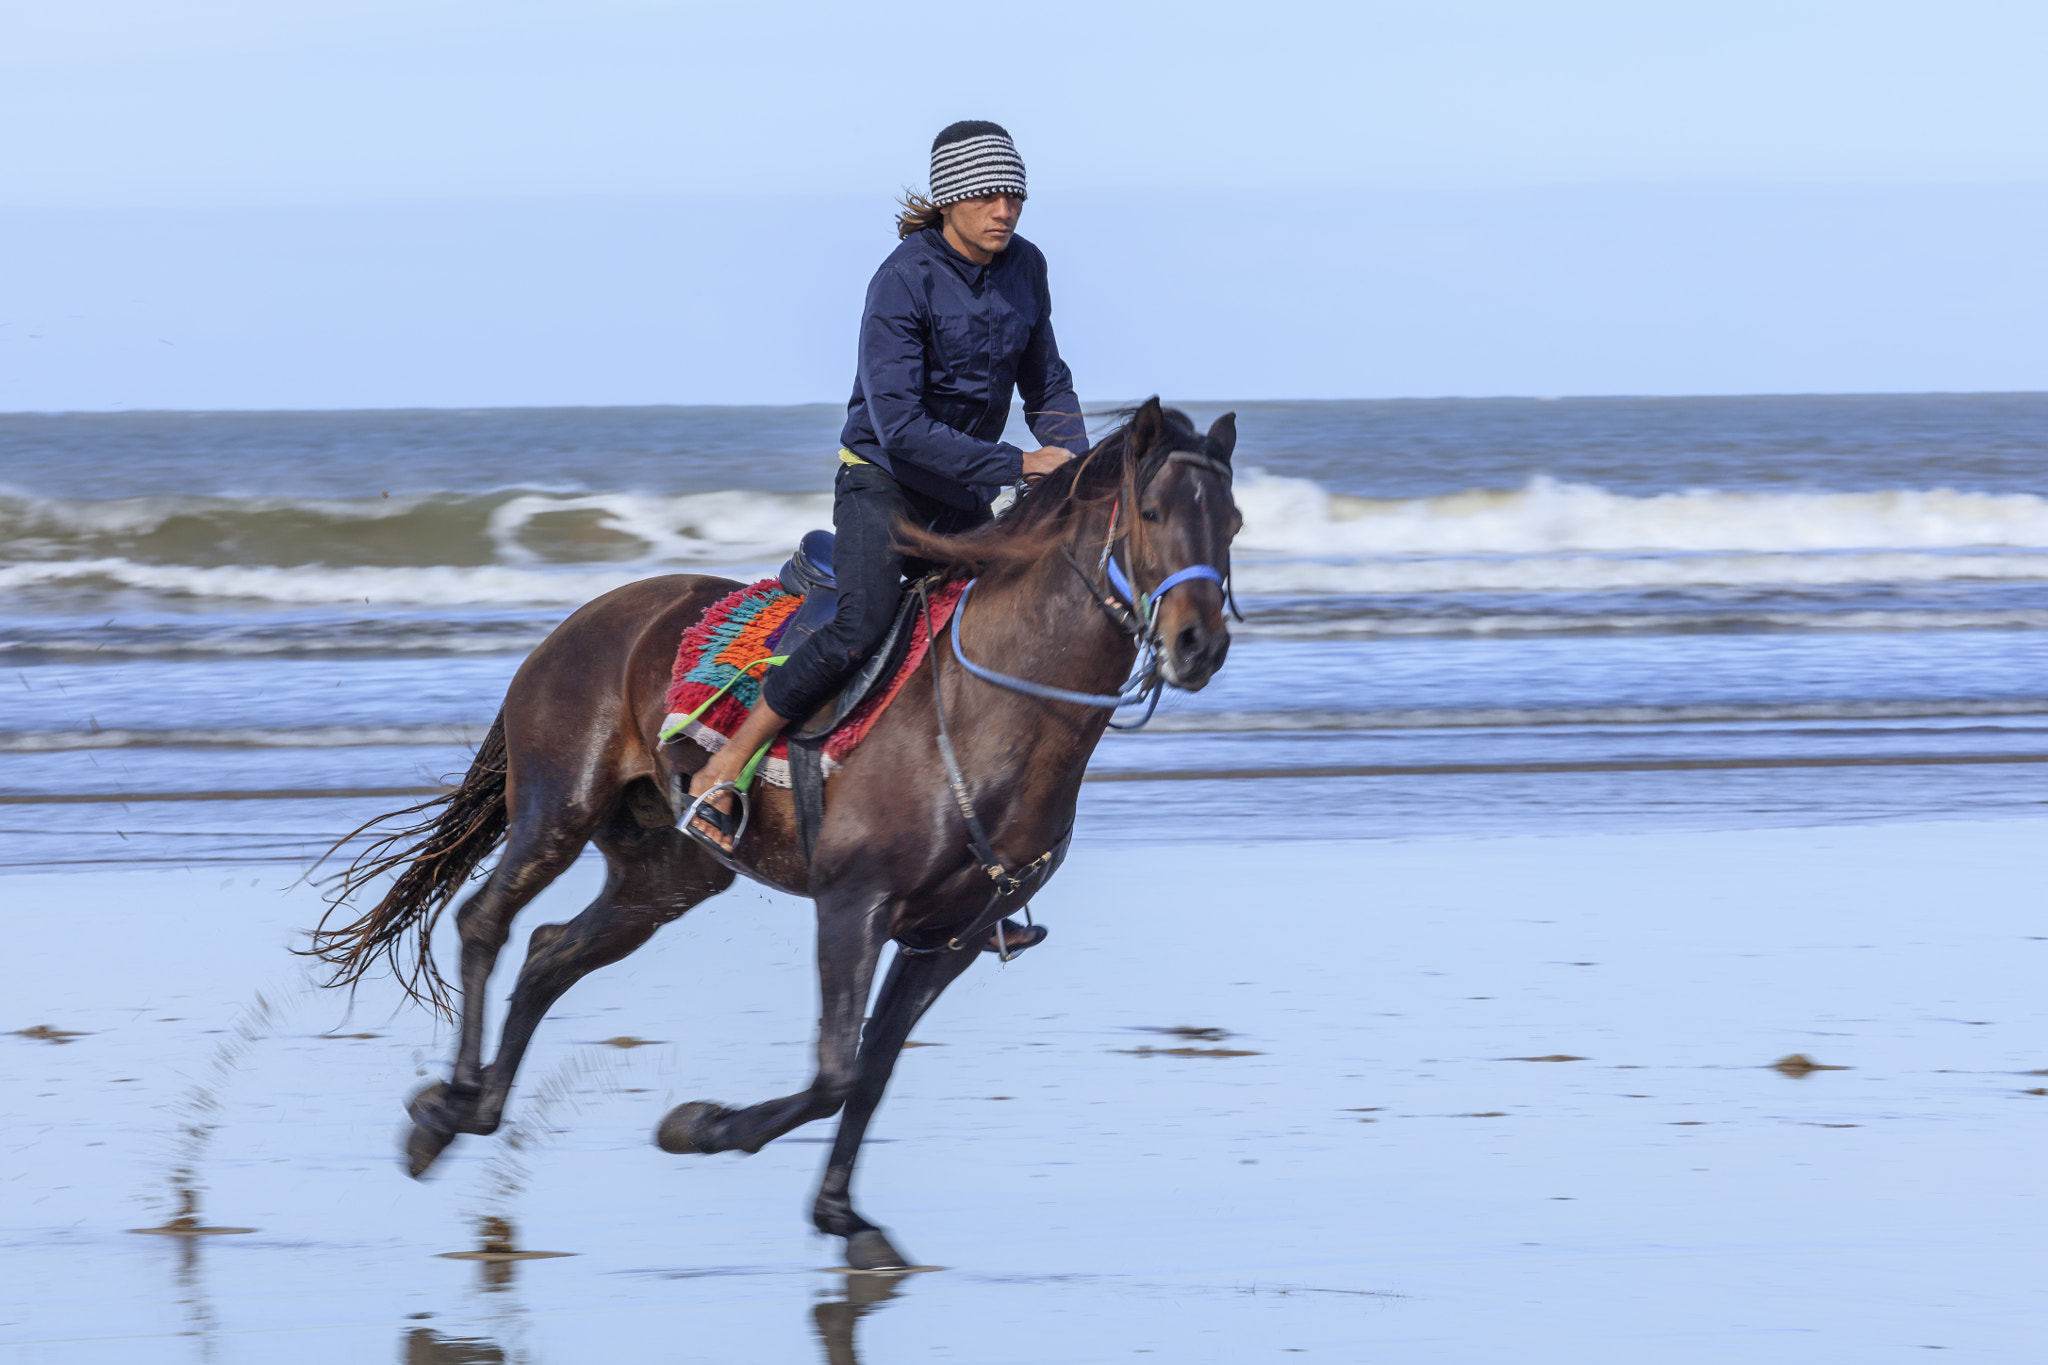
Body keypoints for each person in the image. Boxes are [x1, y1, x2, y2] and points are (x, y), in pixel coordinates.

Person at [684, 120, 1087, 954]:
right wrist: (1018, 464)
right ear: (948, 197)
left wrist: (1075, 467)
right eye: (985, 195)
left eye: (1014, 194)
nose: (1002, 209)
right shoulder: (901, 280)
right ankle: (725, 773)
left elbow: (1047, 382)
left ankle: (973, 868)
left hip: (969, 493)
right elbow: (899, 428)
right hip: (885, 485)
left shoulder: (1028, 268)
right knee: (863, 625)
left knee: (999, 646)